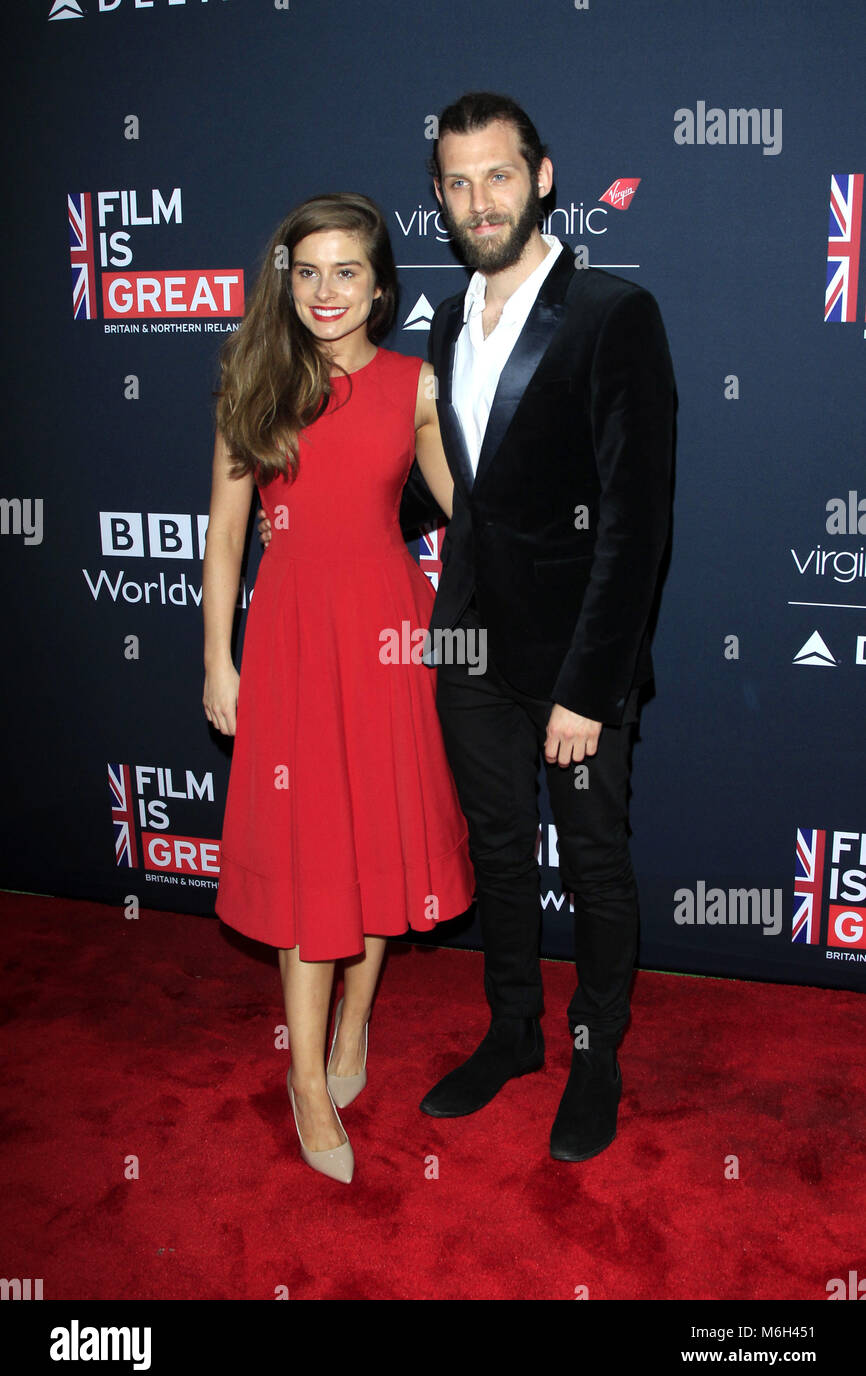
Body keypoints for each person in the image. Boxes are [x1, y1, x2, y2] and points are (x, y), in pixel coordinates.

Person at [411, 92, 676, 1161]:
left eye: (498, 175)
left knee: (596, 861)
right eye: (458, 182)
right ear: (438, 197)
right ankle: (512, 1031)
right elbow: (455, 491)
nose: (480, 200)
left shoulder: (613, 315)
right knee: (497, 851)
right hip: (467, 643)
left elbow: (635, 520)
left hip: (573, 664)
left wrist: (588, 687)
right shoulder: (440, 319)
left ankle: (593, 1052)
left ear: (543, 177)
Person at [202, 192, 474, 1185]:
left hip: (389, 636)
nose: (325, 291)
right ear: (287, 280)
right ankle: (306, 1081)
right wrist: (216, 660)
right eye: (306, 271)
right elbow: (226, 534)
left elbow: (467, 511)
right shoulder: (256, 379)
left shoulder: (413, 384)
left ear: (378, 285)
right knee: (314, 854)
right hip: (289, 641)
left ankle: (357, 1021)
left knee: (371, 849)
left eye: (346, 272)